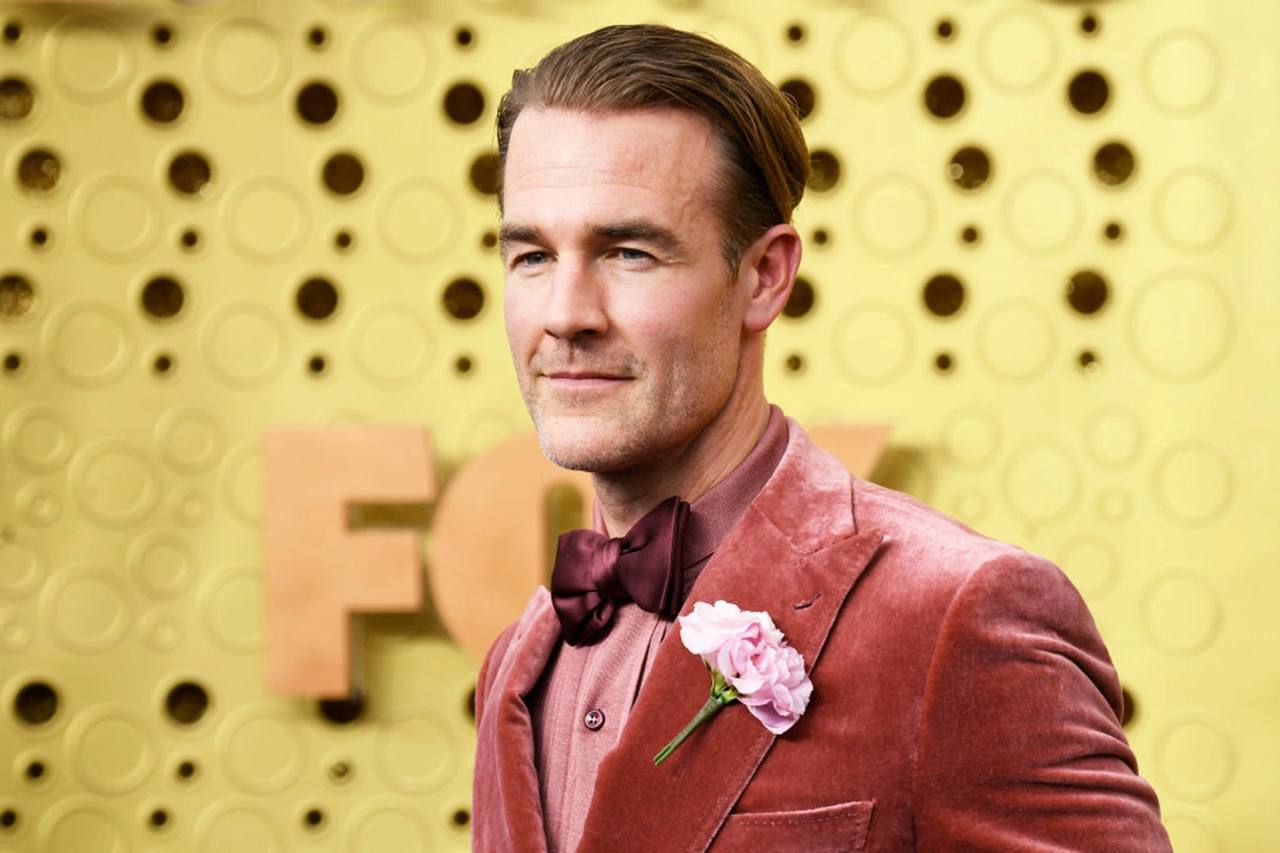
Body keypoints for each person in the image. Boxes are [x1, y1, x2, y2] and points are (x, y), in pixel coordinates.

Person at [471, 23, 1172, 852]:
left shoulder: (961, 613)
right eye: (532, 256)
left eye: (629, 253)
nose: (565, 315)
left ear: (765, 277)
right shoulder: (517, 662)